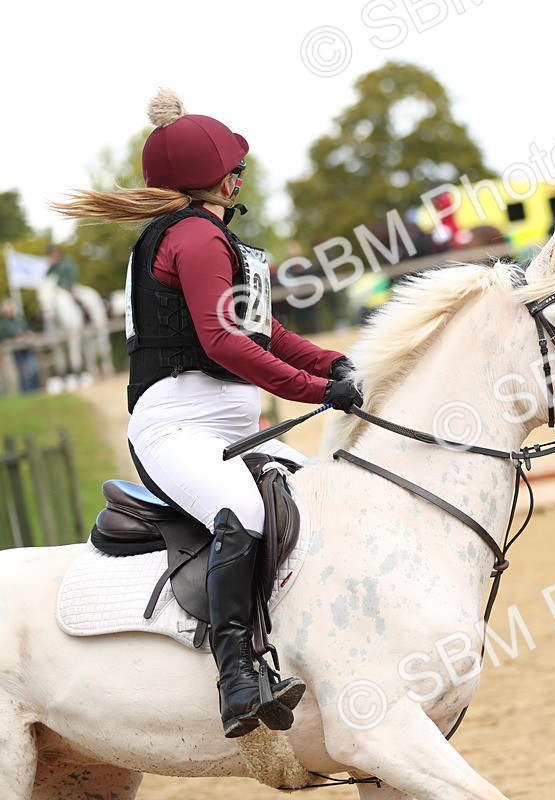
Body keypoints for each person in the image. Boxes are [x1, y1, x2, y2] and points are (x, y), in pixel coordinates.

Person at [52, 88, 363, 738]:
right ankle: (238, 679)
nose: (240, 176)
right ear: (213, 177)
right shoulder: (192, 240)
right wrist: (313, 391)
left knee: (321, 499)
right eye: (232, 167)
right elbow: (223, 343)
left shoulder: (221, 241)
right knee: (245, 514)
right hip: (176, 425)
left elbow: (267, 332)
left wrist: (332, 363)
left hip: (233, 426)